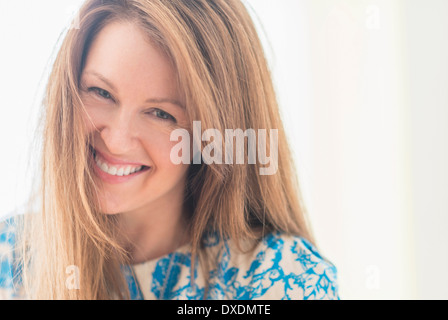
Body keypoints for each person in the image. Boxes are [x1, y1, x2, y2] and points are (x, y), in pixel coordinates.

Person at [0, 0, 338, 300]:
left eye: (162, 114)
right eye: (101, 92)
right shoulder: (10, 257)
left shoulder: (284, 282)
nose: (116, 140)